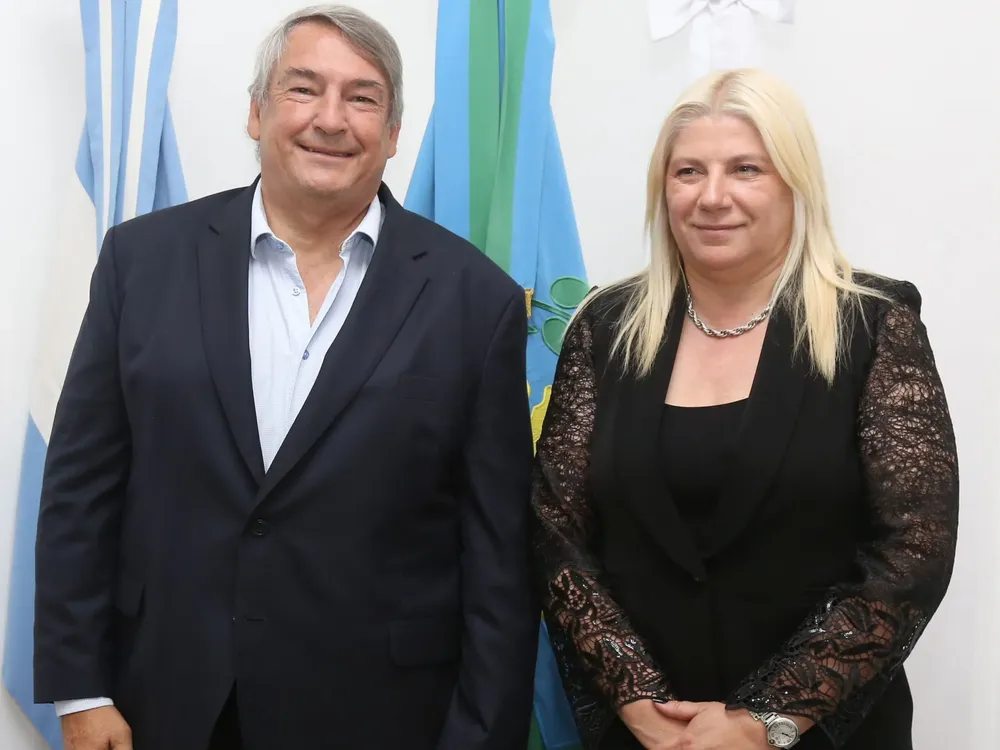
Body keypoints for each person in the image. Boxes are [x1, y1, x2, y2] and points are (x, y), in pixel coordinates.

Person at [33, 6, 539, 750]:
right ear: (255, 111)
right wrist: (80, 690)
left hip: (381, 716)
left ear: (394, 132)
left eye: (362, 98)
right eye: (303, 88)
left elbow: (499, 556)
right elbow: (81, 490)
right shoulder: (140, 262)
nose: (330, 119)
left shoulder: (476, 300)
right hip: (162, 703)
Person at [531, 68, 958, 750]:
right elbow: (556, 532)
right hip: (648, 737)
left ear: (794, 184)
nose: (712, 197)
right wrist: (637, 701)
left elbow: (913, 552)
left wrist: (766, 719)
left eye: (746, 169)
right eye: (689, 172)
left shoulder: (875, 326)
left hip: (820, 733)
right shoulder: (605, 329)